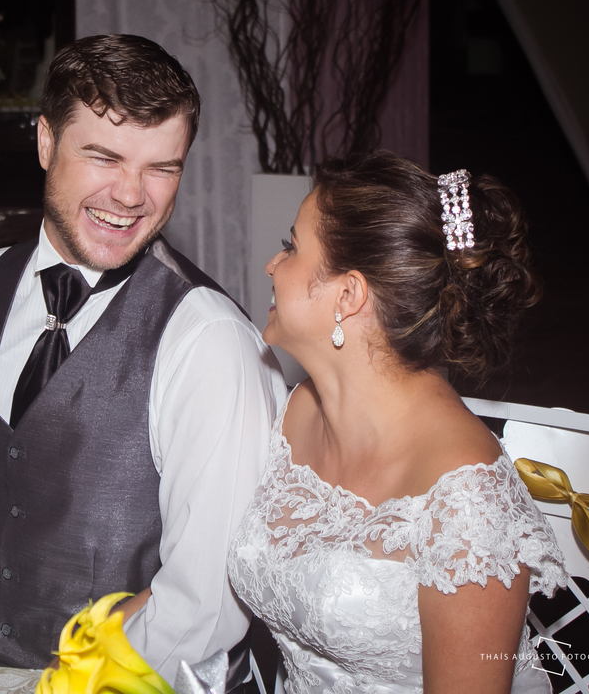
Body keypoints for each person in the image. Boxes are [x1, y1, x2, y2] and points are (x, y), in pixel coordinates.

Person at [0, 34, 285, 681]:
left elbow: (205, 603)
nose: (132, 195)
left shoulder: (208, 341)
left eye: (163, 167)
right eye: (105, 158)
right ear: (46, 142)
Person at [227, 151, 567, 693]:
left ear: (349, 294)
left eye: (291, 246)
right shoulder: (295, 413)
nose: (273, 264)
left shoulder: (467, 500)